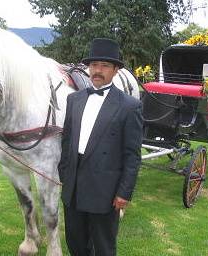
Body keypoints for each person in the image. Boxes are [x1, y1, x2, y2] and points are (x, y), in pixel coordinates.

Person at [58, 38, 143, 256]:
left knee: (104, 247)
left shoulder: (129, 106)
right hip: (74, 188)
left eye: (105, 66)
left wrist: (124, 192)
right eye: (94, 65)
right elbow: (66, 141)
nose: (98, 70)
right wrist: (64, 175)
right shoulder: (74, 100)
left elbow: (132, 155)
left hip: (105, 191)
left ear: (115, 70)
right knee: (75, 243)